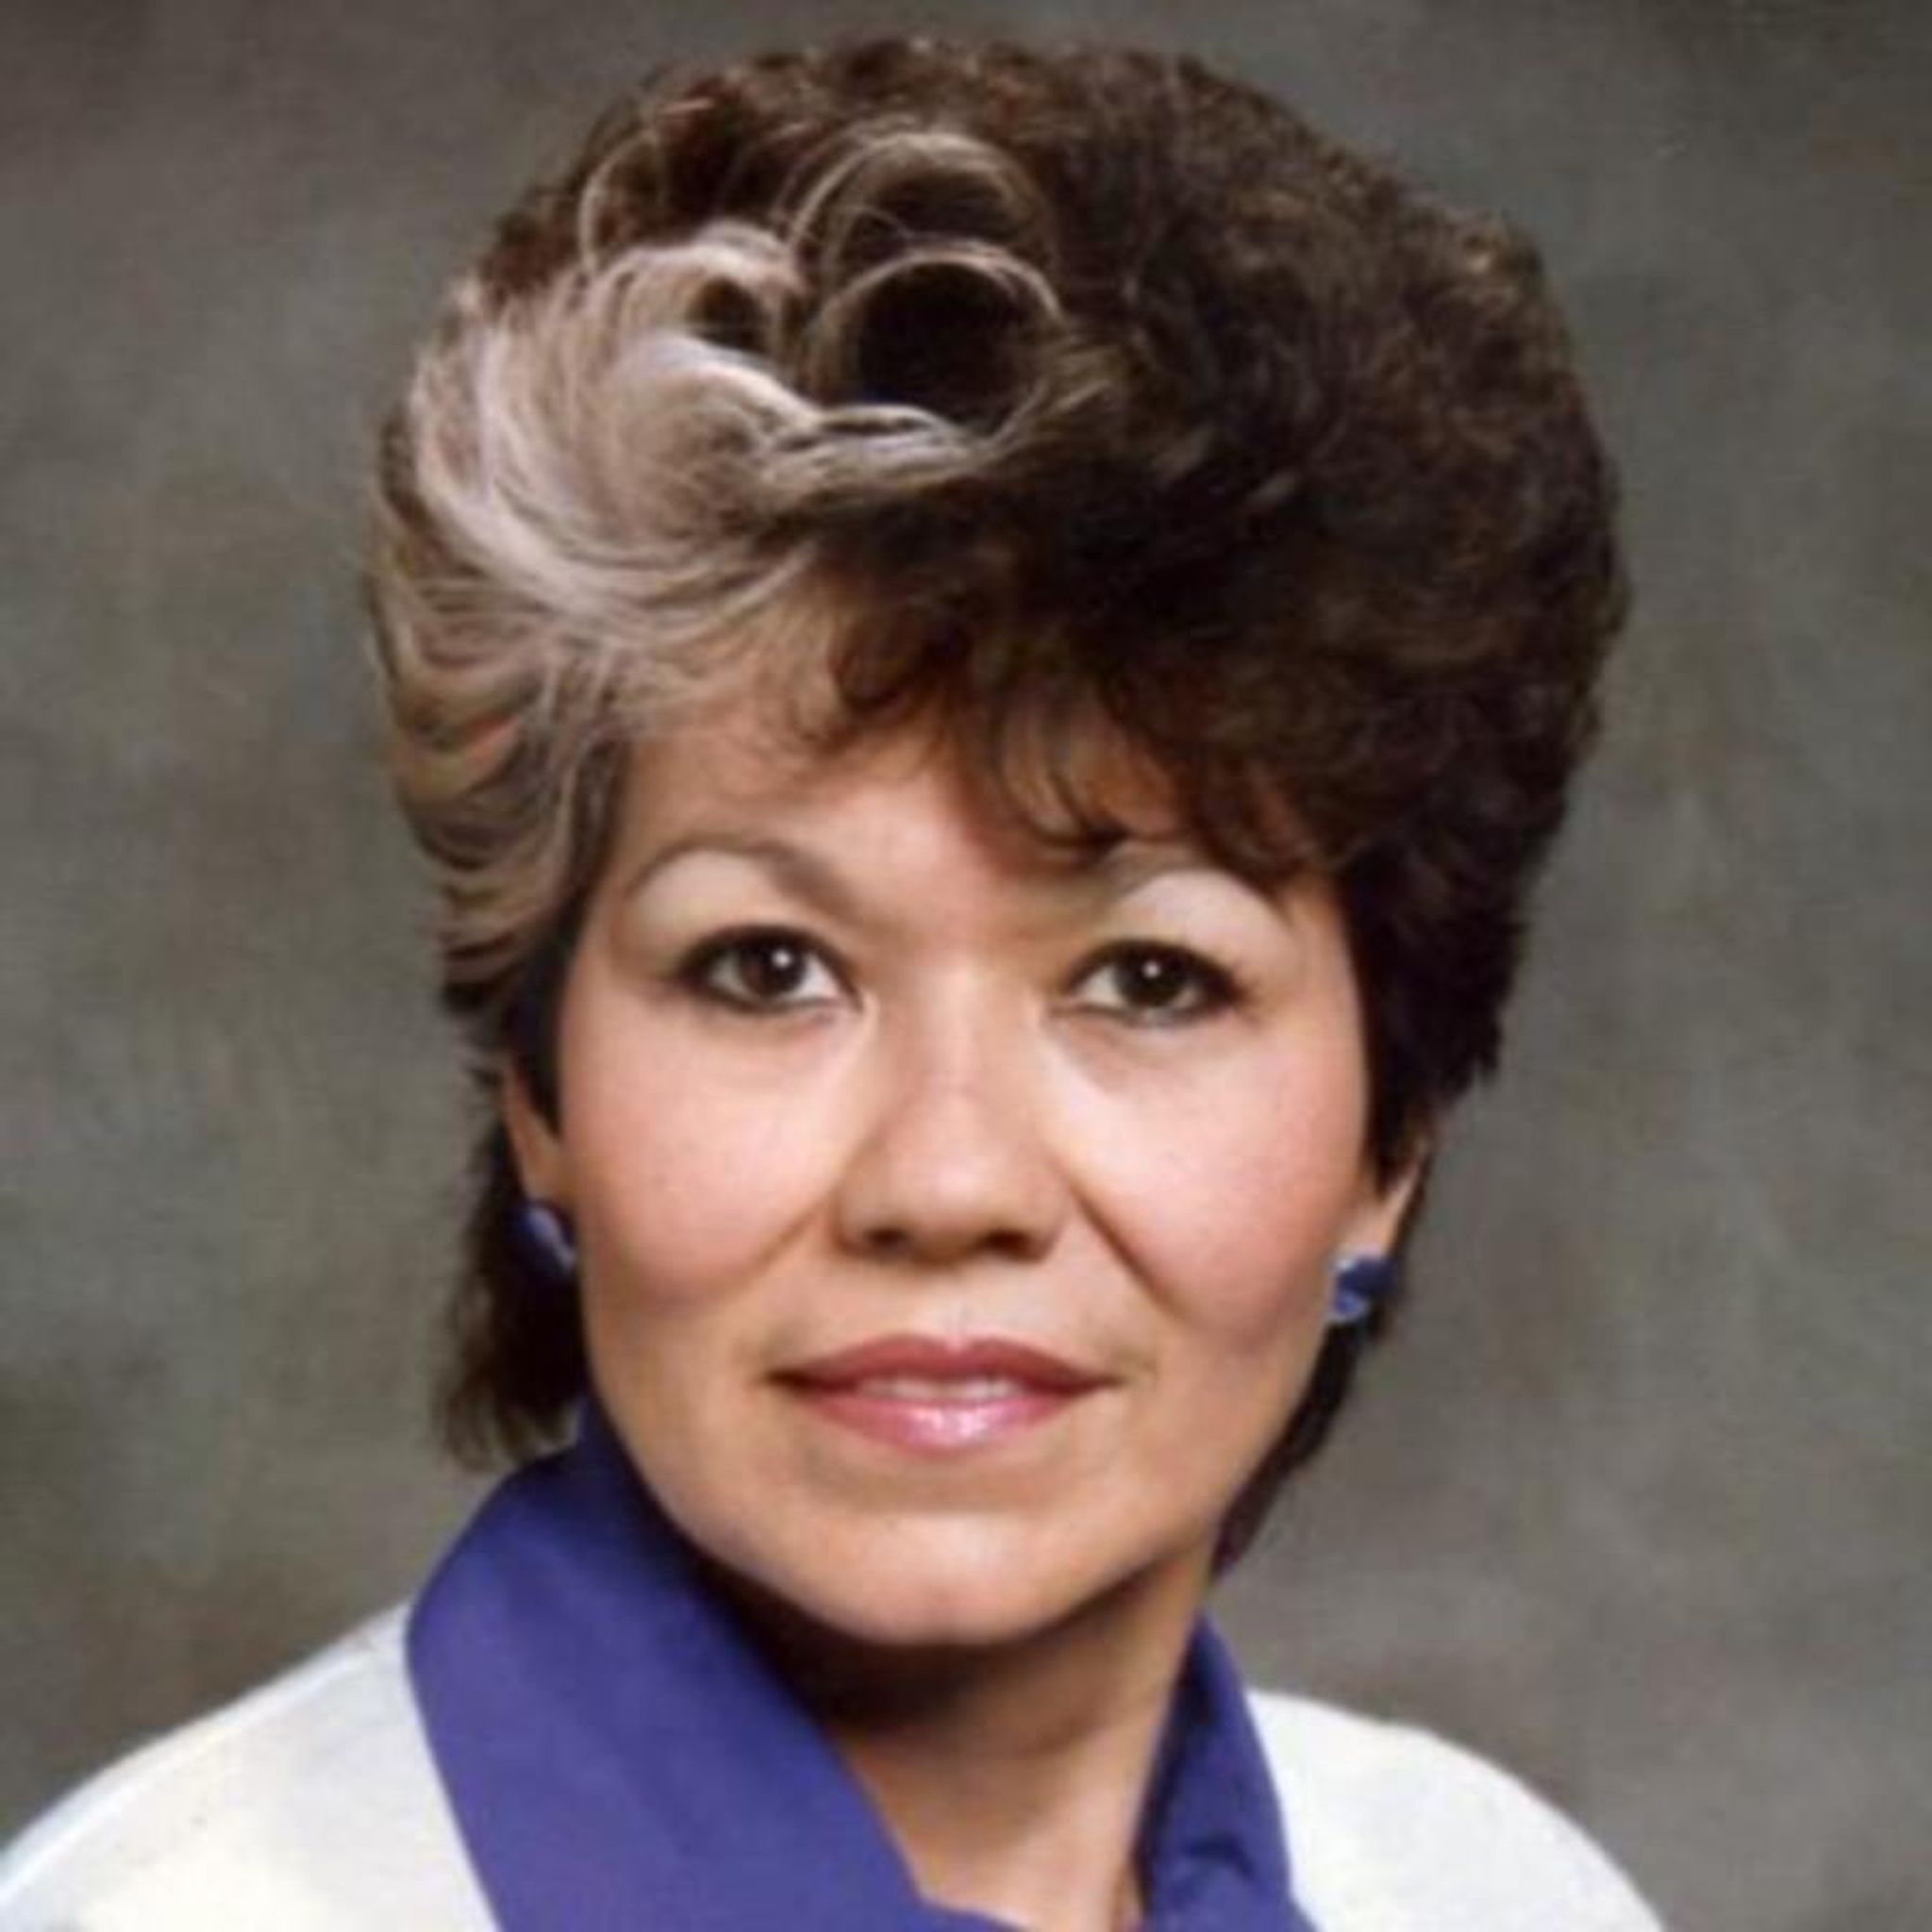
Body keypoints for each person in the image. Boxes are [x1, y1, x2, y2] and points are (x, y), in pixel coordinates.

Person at [0, 37, 1661, 1931]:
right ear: (541, 1096)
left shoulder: (1499, 1893)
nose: (944, 1182)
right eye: (768, 966)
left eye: (1146, 977)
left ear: (1392, 1139)